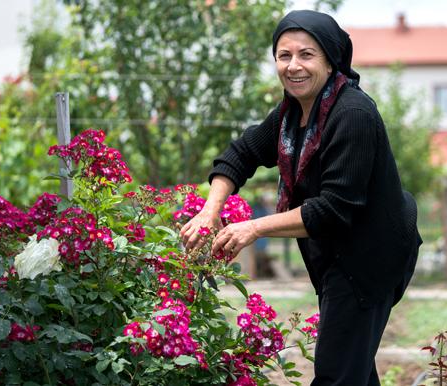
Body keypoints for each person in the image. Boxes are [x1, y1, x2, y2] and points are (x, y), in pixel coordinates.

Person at [180, 9, 421, 386]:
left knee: (335, 374)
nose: (294, 66)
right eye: (284, 55)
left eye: (307, 55)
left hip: (371, 258)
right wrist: (210, 210)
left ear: (330, 61)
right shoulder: (291, 115)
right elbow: (239, 154)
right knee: (352, 370)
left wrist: (253, 228)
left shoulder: (353, 114)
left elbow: (333, 209)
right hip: (335, 255)